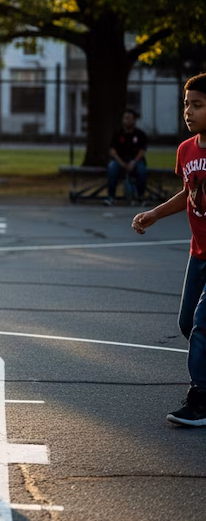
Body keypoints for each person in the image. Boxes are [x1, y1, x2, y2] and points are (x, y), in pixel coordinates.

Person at [131, 73, 206, 427]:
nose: (188, 111)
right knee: (187, 322)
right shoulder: (186, 150)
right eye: (186, 104)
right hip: (199, 253)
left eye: (198, 105)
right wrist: (155, 214)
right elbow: (188, 193)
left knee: (203, 325)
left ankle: (200, 399)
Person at [106, 108, 147, 205]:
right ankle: (111, 197)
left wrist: (134, 162)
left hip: (135, 161)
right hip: (119, 161)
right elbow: (112, 151)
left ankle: (140, 197)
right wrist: (121, 163)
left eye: (130, 118)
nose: (128, 120)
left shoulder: (140, 134)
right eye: (126, 118)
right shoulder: (117, 133)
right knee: (112, 168)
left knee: (142, 170)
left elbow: (142, 151)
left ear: (134, 120)